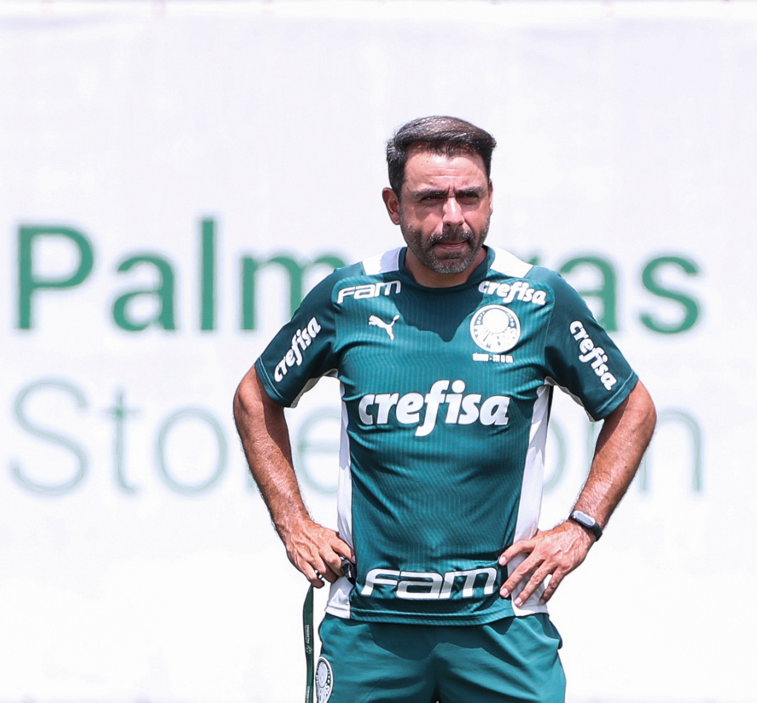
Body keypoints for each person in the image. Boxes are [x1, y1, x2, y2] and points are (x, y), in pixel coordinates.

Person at [233, 116, 656, 703]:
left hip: (502, 623)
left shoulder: (538, 298)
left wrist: (581, 528)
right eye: (431, 199)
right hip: (368, 626)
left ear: (491, 198)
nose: (453, 216)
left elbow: (632, 406)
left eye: (469, 197)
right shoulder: (348, 297)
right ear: (393, 205)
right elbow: (255, 397)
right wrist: (293, 524)